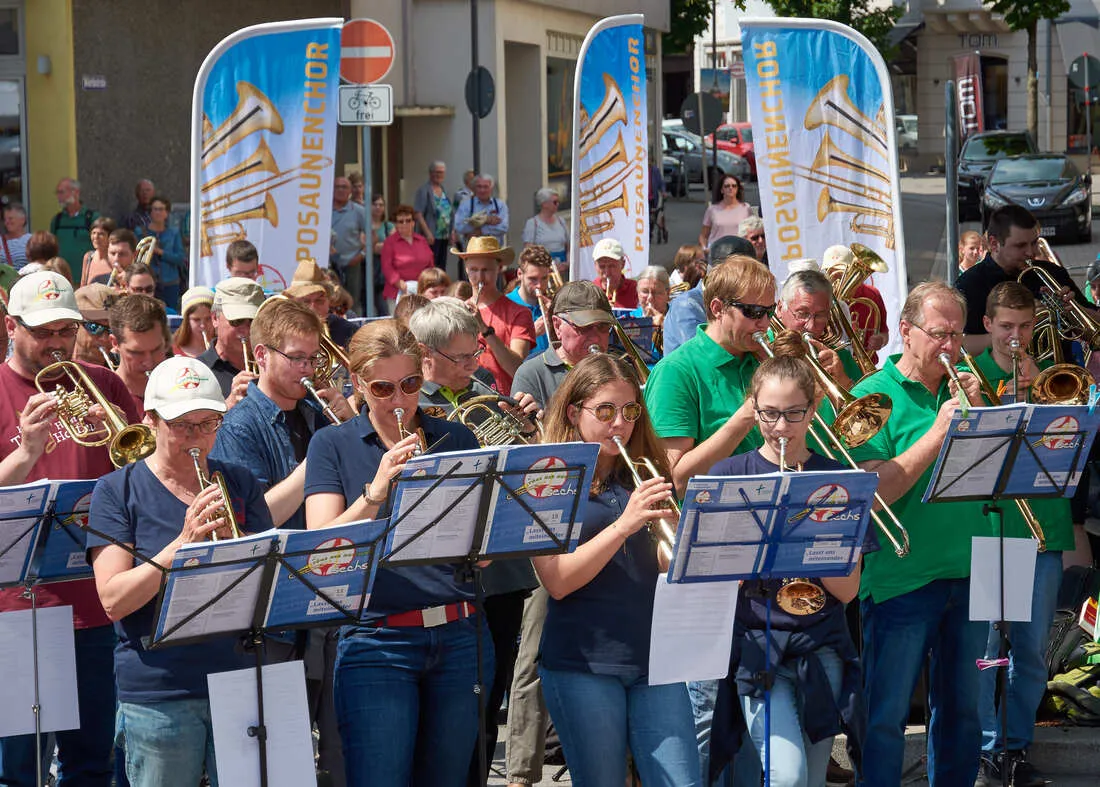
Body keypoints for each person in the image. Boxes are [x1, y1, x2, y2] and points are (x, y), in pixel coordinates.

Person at [303, 319, 487, 785]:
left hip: (458, 631)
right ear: (357, 383)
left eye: (410, 384)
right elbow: (319, 549)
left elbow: (482, 550)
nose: (400, 401)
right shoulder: (332, 444)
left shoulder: (456, 438)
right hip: (376, 638)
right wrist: (376, 492)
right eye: (383, 388)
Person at [87, 356, 273, 787]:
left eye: (208, 424)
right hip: (161, 690)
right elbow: (113, 600)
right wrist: (180, 547)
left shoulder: (239, 481)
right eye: (183, 425)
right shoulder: (117, 490)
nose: (197, 438)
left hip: (239, 677)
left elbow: (270, 579)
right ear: (151, 420)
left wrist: (237, 545)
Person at [533, 353, 701, 787]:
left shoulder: (645, 471)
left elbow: (664, 565)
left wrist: (678, 536)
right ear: (574, 412)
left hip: (655, 657)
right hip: (584, 662)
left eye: (629, 411)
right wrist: (625, 525)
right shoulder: (547, 480)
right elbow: (557, 581)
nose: (620, 424)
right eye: (605, 411)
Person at [0, 270, 141, 787]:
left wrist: (127, 445)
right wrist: (26, 452)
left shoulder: (103, 383)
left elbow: (141, 479)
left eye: (66, 330)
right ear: (11, 326)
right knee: (19, 770)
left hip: (94, 600)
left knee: (92, 764)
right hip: (18, 607)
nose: (57, 343)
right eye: (43, 332)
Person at [847, 281, 988, 787]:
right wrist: (939, 431)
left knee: (963, 712)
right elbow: (874, 491)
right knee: (885, 716)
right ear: (905, 332)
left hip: (971, 570)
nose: (950, 346)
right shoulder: (869, 397)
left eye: (957, 335)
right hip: (901, 579)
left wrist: (981, 416)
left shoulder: (965, 388)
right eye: (938, 334)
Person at [708, 356, 867, 787]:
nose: (781, 427)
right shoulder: (729, 477)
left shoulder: (837, 479)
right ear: (753, 409)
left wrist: (810, 533)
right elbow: (710, 581)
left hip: (823, 646)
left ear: (813, 409)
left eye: (794, 413)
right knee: (787, 776)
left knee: (811, 780)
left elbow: (847, 591)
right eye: (769, 414)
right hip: (759, 647)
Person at [403, 298, 540, 786]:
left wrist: (530, 430)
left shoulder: (486, 394)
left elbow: (530, 477)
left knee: (486, 707)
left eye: (474, 353)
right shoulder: (409, 405)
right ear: (425, 354)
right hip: (440, 576)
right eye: (461, 357)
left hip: (500, 573)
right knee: (439, 719)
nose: (473, 365)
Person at [968, 282, 1081, 787]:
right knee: (990, 649)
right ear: (988, 325)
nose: (1015, 338)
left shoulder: (1052, 377)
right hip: (995, 528)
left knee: (1033, 651)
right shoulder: (971, 377)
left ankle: (1015, 747)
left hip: (1044, 530)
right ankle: (987, 748)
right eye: (1006, 326)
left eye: (1024, 326)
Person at [645, 255, 774, 492]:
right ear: (717, 308)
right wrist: (747, 415)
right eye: (753, 311)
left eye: (769, 311)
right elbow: (677, 481)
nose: (765, 323)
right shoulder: (675, 372)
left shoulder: (764, 359)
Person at [958, 205, 1094, 356]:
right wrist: (1020, 329)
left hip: (1063, 368)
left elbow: (1094, 332)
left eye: (1034, 243)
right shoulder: (970, 284)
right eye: (1020, 245)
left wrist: (1073, 310)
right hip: (1001, 371)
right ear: (994, 244)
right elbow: (960, 346)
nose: (1031, 252)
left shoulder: (1052, 273)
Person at [511, 280, 614, 409]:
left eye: (603, 326)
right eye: (584, 326)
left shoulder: (617, 369)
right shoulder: (531, 374)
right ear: (557, 325)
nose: (595, 337)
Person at [453, 236, 534, 396]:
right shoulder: (457, 310)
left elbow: (516, 369)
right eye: (474, 270)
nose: (480, 277)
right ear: (466, 270)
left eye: (486, 270)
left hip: (502, 399)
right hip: (464, 397)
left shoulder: (519, 312)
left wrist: (484, 329)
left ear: (499, 268)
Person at [661, 236, 758, 356]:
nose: (750, 281)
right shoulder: (687, 304)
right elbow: (702, 354)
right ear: (719, 271)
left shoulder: (736, 300)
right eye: (744, 274)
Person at [776, 268, 861, 386]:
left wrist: (843, 380)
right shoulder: (760, 351)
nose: (811, 326)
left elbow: (866, 397)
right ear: (780, 309)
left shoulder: (840, 357)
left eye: (820, 315)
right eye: (802, 314)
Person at [197, 277, 265, 406]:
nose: (246, 330)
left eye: (253, 321)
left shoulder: (271, 364)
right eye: (237, 321)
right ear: (215, 318)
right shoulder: (198, 371)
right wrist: (229, 405)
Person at [822, 244, 888, 360]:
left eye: (841, 272)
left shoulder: (872, 294)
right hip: (831, 361)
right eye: (830, 271)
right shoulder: (820, 297)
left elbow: (884, 334)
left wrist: (880, 340)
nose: (836, 277)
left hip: (866, 363)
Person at [109, 293, 171, 411]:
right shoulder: (105, 395)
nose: (148, 362)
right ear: (115, 343)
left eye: (156, 350)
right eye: (136, 352)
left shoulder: (182, 391)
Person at [282, 258, 357, 348]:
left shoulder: (348, 331)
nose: (312, 307)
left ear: (329, 301)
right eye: (305, 301)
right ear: (293, 302)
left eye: (319, 301)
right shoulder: (279, 331)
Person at [381, 204, 435, 314]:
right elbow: (387, 267)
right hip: (397, 291)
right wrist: (399, 283)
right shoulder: (389, 242)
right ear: (396, 224)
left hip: (421, 290)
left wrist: (427, 283)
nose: (405, 224)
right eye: (401, 221)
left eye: (408, 220)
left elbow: (430, 264)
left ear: (413, 223)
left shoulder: (421, 240)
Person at [135, 195, 186, 310]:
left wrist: (160, 252)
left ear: (167, 213)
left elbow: (180, 258)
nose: (158, 212)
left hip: (170, 283)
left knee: (170, 313)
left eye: (161, 209)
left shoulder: (174, 233)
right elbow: (136, 257)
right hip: (147, 283)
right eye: (155, 209)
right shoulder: (140, 232)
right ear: (150, 212)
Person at [506, 245, 553, 358]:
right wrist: (532, 333)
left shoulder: (550, 304)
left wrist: (556, 315)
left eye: (544, 278)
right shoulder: (506, 305)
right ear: (519, 274)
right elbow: (500, 350)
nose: (539, 285)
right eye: (533, 279)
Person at [50, 177, 100, 282]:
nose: (58, 196)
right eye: (57, 193)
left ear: (75, 192)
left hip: (87, 279)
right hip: (61, 279)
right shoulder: (57, 220)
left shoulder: (92, 218)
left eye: (61, 192)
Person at [330, 176, 367, 314]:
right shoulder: (323, 209)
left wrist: (362, 255)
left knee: (353, 302)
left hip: (352, 263)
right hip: (329, 265)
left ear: (350, 191)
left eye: (344, 187)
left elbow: (373, 237)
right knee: (331, 300)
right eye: (337, 187)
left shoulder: (359, 211)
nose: (340, 190)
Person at [413, 161, 453, 270]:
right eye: (437, 172)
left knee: (441, 266)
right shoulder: (424, 190)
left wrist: (452, 231)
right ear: (430, 173)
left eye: (442, 172)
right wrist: (427, 233)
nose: (439, 175)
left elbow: (450, 212)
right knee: (431, 266)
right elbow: (418, 214)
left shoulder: (444, 190)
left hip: (444, 235)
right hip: (431, 236)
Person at [452, 173, 509, 249]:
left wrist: (480, 230)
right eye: (479, 186)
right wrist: (486, 220)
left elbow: (503, 227)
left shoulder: (500, 205)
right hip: (472, 251)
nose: (482, 190)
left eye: (486, 187)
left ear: (491, 188)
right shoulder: (466, 205)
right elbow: (459, 226)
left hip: (495, 250)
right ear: (474, 188)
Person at [699, 174, 752, 251]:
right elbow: (703, 236)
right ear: (721, 190)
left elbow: (752, 232)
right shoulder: (712, 209)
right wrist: (704, 248)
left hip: (739, 251)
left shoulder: (746, 208)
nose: (731, 188)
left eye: (734, 186)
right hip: (716, 251)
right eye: (727, 186)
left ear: (738, 189)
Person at [521, 188, 568, 270]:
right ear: (544, 204)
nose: (558, 204)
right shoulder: (533, 223)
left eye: (558, 202)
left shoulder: (561, 221)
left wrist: (567, 263)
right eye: (555, 202)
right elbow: (528, 250)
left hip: (562, 267)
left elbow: (569, 246)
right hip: (543, 267)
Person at [75, 283, 119, 367]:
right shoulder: (55, 369)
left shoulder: (123, 366)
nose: (105, 339)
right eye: (94, 327)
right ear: (74, 325)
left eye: (112, 330)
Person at [591, 237, 638, 310]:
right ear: (595, 265)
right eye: (602, 266)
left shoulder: (636, 290)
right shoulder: (588, 292)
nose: (607, 273)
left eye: (612, 266)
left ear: (623, 264)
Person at [172, 286, 215, 358]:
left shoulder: (225, 350)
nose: (203, 325)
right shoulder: (172, 351)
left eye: (208, 319)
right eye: (196, 320)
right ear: (186, 320)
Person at [80, 217, 118, 286]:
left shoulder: (116, 259)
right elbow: (82, 286)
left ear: (110, 237)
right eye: (93, 233)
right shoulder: (88, 257)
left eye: (101, 234)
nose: (96, 237)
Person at [1, 203, 31, 271]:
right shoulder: (1, 240)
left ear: (22, 220)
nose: (7, 222)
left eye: (10, 218)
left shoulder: (32, 241)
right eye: (5, 219)